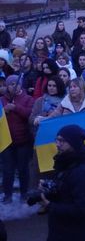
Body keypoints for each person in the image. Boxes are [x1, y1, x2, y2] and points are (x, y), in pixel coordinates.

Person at [42, 125, 85, 241]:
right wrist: (50, 188)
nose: (57, 144)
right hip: (63, 235)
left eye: (62, 141)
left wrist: (50, 206)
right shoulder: (68, 163)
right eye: (57, 140)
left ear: (73, 143)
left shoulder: (82, 172)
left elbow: (81, 209)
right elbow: (67, 190)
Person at [1, 75, 35, 203]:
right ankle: (7, 194)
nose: (14, 86)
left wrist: (16, 108)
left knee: (23, 168)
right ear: (7, 86)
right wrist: (4, 110)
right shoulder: (2, 100)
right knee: (7, 170)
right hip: (6, 141)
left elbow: (29, 114)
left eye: (16, 83)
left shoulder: (28, 98)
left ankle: (24, 193)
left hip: (23, 140)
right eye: (11, 84)